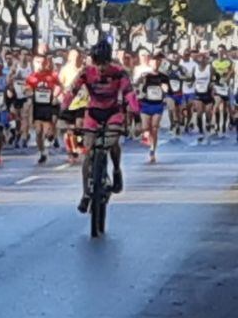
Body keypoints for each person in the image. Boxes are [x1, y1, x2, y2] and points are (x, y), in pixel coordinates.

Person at [62, 41, 140, 213]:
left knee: (112, 140)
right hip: (93, 112)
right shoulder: (86, 72)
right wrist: (63, 109)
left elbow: (129, 94)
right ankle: (85, 194)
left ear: (109, 60)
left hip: (113, 111)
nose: (101, 68)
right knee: (88, 153)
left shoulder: (120, 73)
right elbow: (72, 91)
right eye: (97, 63)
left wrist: (136, 115)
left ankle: (117, 170)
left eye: (104, 63)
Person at [26, 54, 61, 165]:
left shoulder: (52, 75)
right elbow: (26, 88)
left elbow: (60, 86)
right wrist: (29, 92)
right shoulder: (32, 77)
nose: (40, 65)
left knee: (46, 131)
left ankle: (50, 138)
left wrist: (55, 95)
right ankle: (42, 152)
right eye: (37, 62)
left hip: (48, 106)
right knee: (38, 132)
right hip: (37, 106)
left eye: (42, 62)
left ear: (46, 63)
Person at [137, 53, 169, 164]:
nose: (156, 63)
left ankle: (152, 151)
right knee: (146, 128)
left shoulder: (164, 76)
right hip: (146, 104)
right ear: (150, 62)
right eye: (154, 61)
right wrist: (139, 84)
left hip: (157, 105)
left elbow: (167, 89)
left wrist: (165, 88)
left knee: (154, 127)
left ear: (160, 63)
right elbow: (136, 85)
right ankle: (147, 137)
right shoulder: (145, 75)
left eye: (158, 61)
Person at [190, 51, 216, 143]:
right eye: (199, 58)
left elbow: (215, 78)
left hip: (208, 93)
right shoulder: (195, 68)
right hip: (198, 93)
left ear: (205, 59)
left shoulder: (210, 68)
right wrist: (189, 82)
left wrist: (212, 85)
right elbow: (192, 79)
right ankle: (201, 130)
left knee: (208, 112)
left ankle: (208, 124)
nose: (201, 60)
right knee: (199, 113)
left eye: (203, 58)